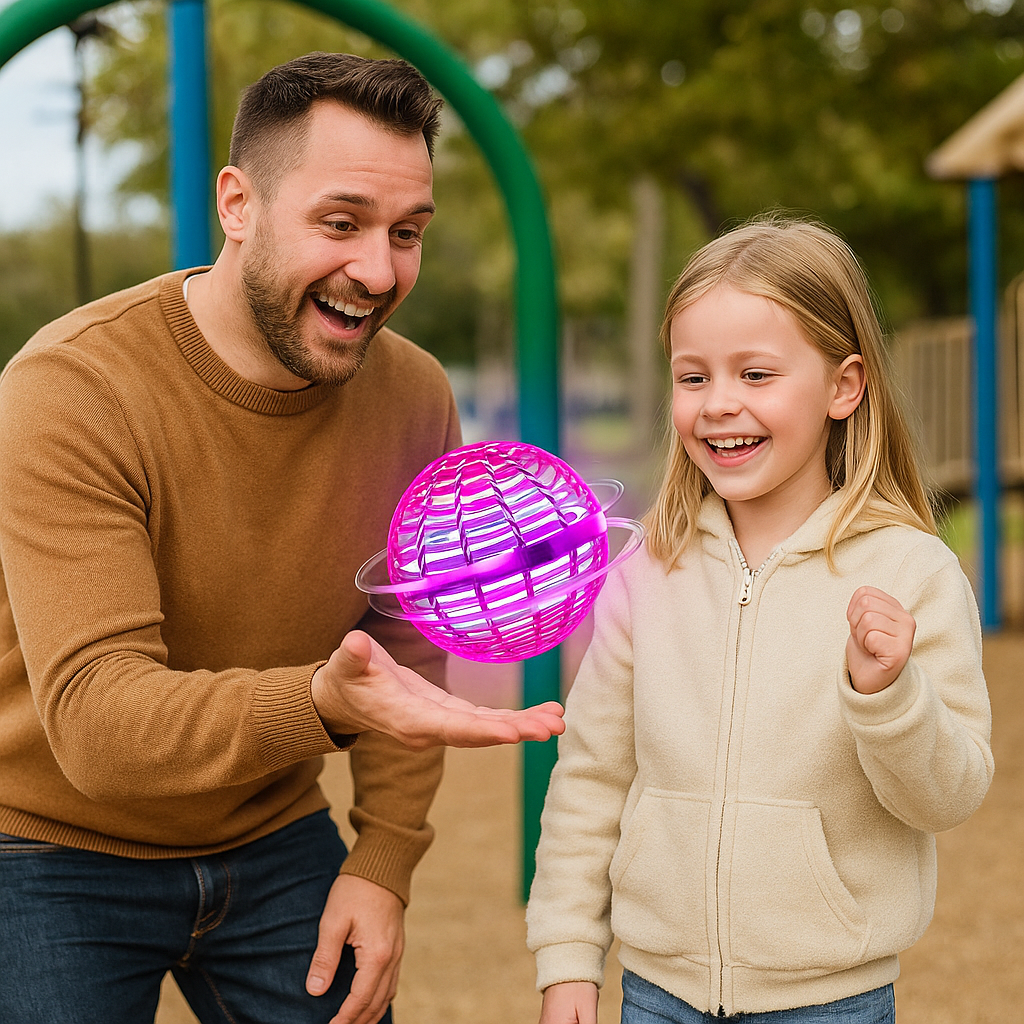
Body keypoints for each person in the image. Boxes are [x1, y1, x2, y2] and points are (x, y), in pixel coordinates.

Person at [0, 52, 563, 1024]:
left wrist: (382, 863)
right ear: (237, 205)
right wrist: (319, 702)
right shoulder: (68, 392)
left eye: (407, 232)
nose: (378, 271)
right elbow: (96, 722)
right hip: (44, 837)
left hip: (268, 826)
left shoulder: (414, 394)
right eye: (340, 222)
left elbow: (403, 635)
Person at [525, 216, 993, 1024]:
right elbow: (591, 779)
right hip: (655, 995)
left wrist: (891, 697)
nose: (720, 406)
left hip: (831, 1002)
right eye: (694, 377)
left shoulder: (913, 575)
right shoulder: (647, 575)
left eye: (756, 374)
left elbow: (947, 797)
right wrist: (567, 959)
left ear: (844, 387)